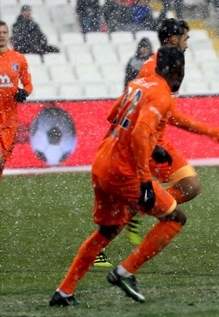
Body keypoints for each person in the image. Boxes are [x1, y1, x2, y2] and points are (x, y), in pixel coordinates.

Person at [49, 47, 188, 306]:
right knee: (175, 217)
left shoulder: (136, 84)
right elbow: (137, 134)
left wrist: (152, 146)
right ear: (177, 69)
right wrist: (146, 178)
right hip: (124, 171)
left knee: (108, 229)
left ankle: (64, 291)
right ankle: (125, 271)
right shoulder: (162, 94)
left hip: (102, 162)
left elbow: (115, 117)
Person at [94, 19, 219, 266]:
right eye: (186, 38)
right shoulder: (154, 69)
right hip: (146, 142)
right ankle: (102, 245)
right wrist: (208, 131)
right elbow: (150, 115)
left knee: (190, 186)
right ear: (174, 39)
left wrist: (210, 132)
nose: (188, 43)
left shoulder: (167, 64)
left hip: (158, 139)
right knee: (187, 187)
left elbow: (168, 114)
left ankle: (140, 207)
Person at [0, 20, 33, 183]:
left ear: (8, 35)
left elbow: (28, 83)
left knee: (1, 163)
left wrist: (24, 92)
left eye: (4, 32)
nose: (1, 36)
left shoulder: (18, 59)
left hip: (9, 120)